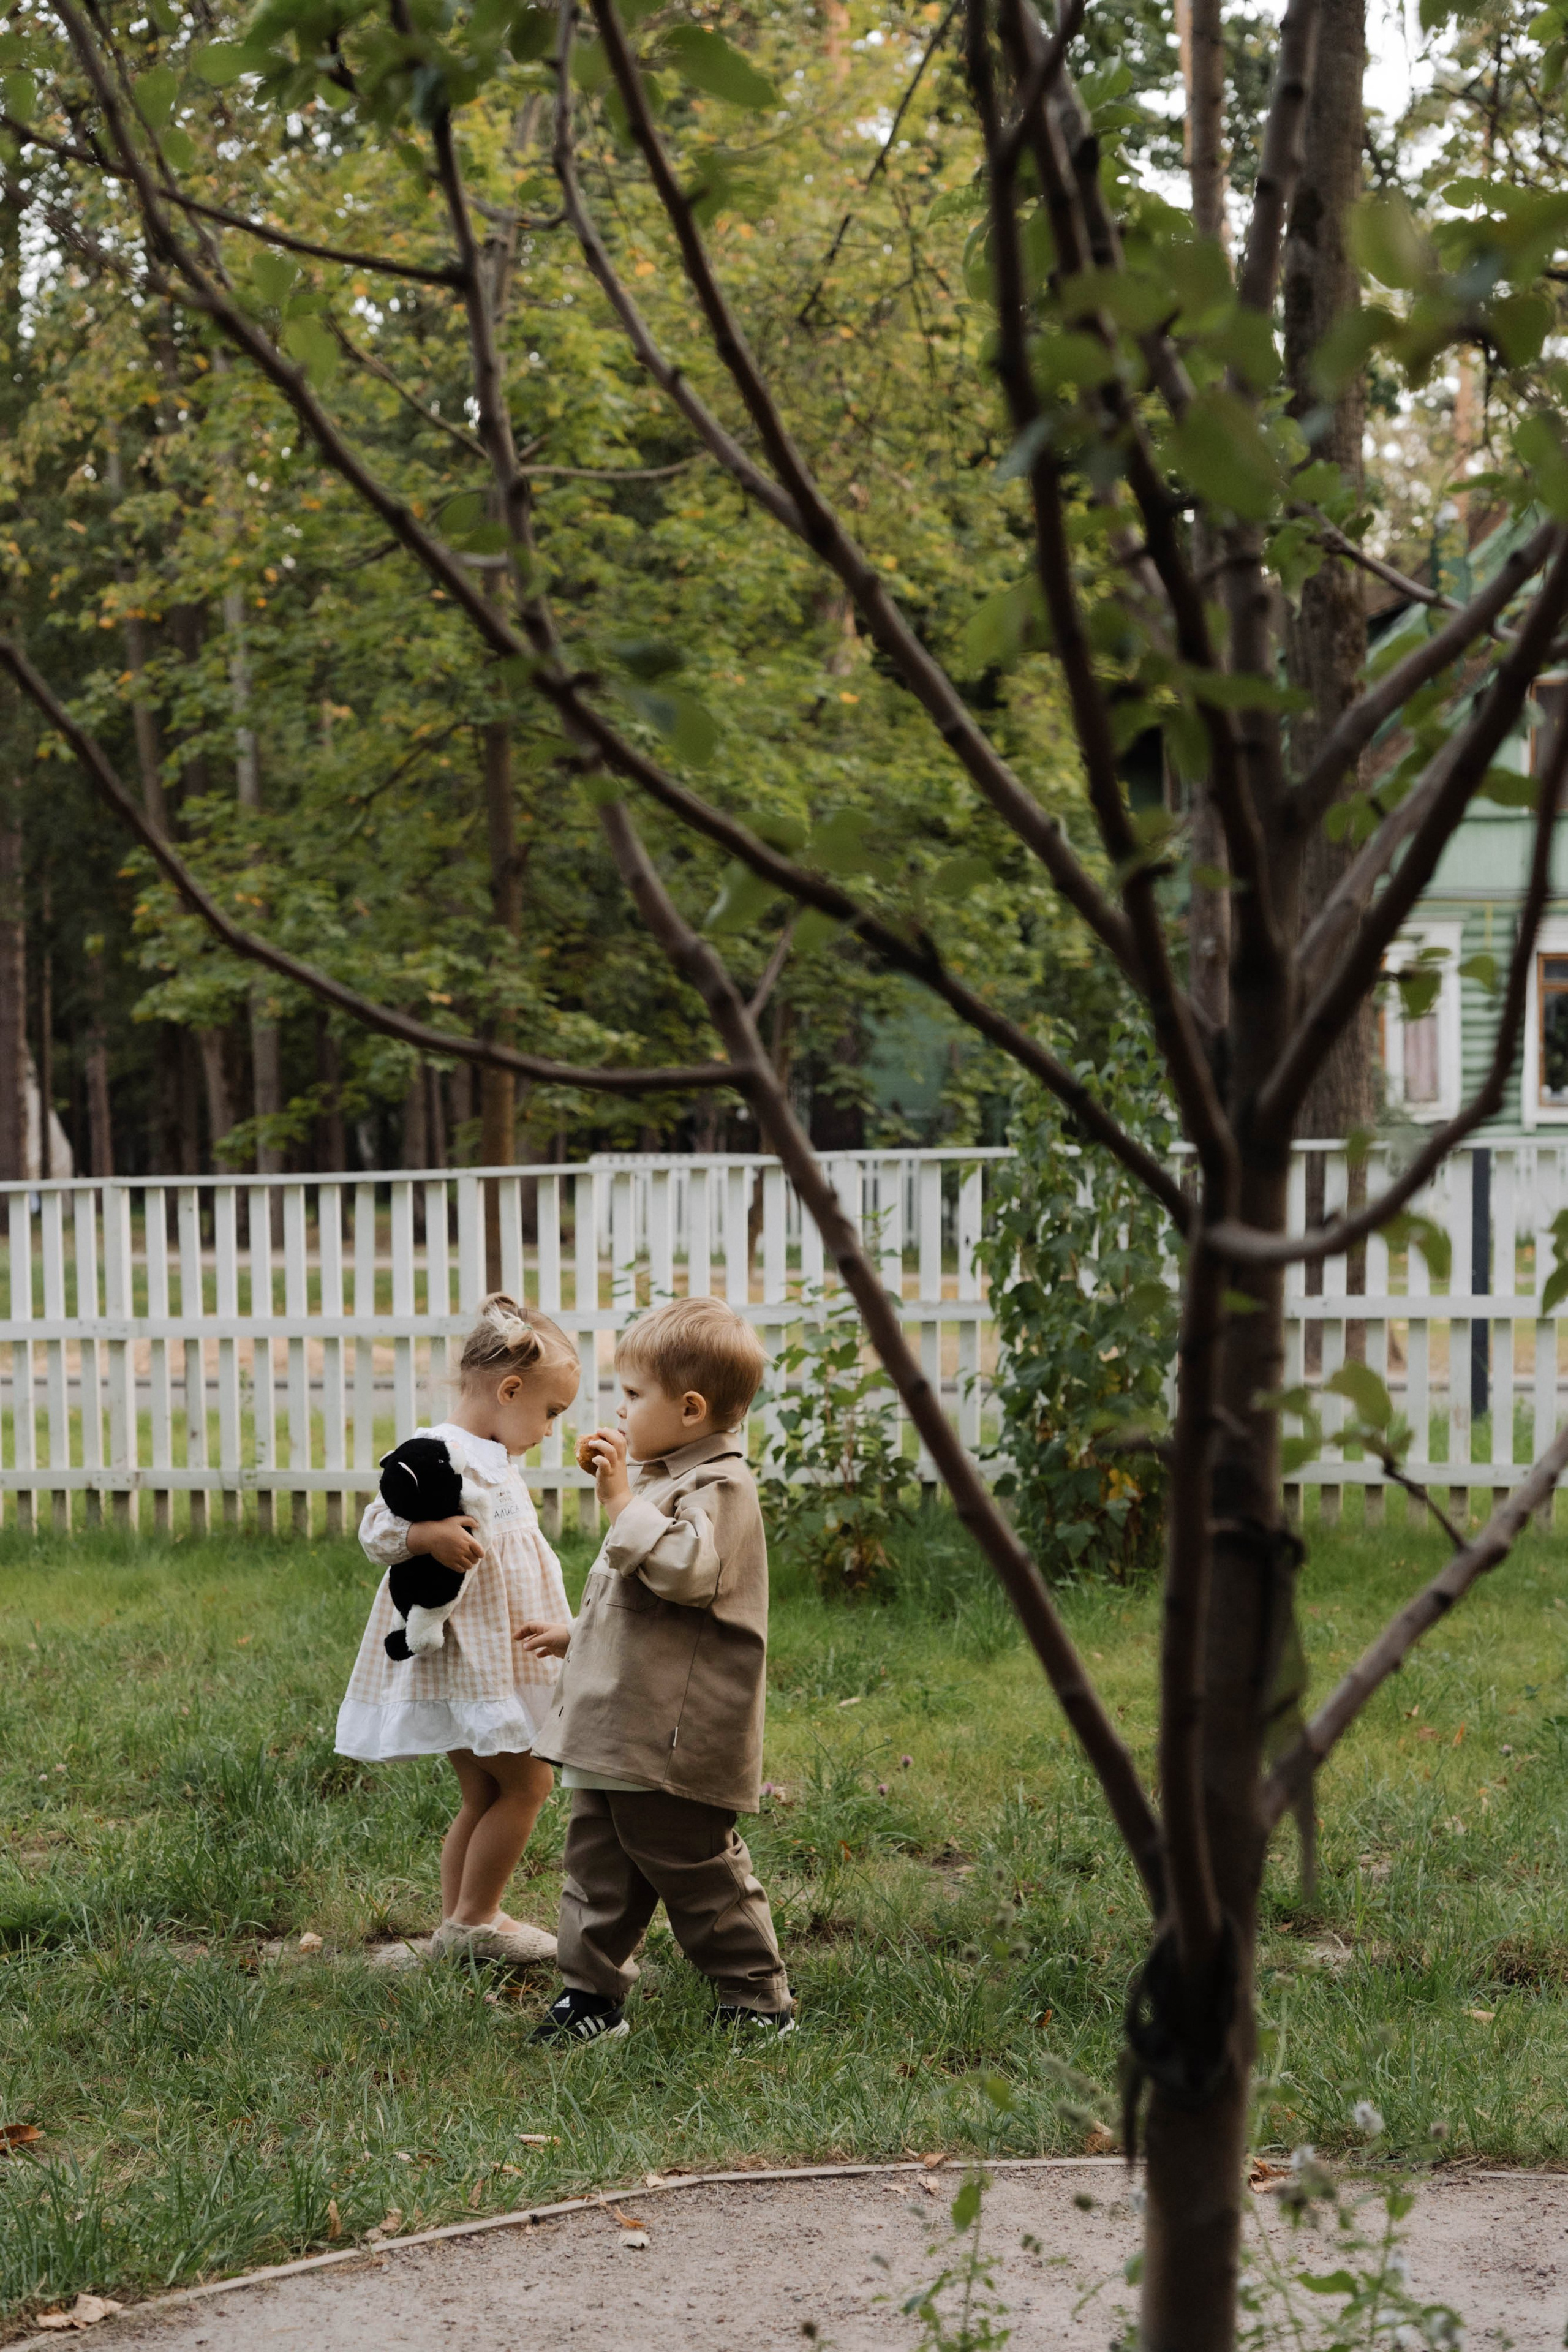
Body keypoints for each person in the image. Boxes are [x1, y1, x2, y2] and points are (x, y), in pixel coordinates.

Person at [520, 1295, 794, 2043]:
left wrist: (618, 1502)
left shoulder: (722, 1488)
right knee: (596, 1866)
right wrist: (579, 1632)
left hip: (674, 1739)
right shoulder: (665, 1479)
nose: (621, 1408)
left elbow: (685, 1576)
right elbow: (649, 1613)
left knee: (695, 1868)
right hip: (620, 1727)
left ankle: (755, 2000)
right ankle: (591, 1997)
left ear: (692, 1408)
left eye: (635, 1396)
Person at [335, 1292, 580, 1965]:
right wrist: (427, 1533)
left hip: (497, 1655)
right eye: (551, 1412)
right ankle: (475, 1921)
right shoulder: (438, 1451)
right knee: (528, 1785)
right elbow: (376, 1528)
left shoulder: (493, 1455)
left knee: (485, 1789)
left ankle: (460, 1924)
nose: (552, 1430)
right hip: (469, 1657)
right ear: (508, 1389)